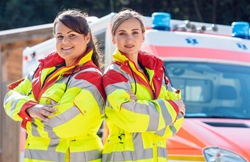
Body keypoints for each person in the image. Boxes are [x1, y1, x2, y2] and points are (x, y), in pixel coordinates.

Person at [4, 9, 105, 162]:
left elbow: (61, 125)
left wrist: (23, 114)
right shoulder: (43, 71)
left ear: (87, 37)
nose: (65, 41)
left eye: (72, 35)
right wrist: (30, 108)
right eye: (60, 36)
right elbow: (9, 98)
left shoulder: (91, 77)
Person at [102, 9, 185, 162]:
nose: (129, 39)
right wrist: (171, 108)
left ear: (143, 36)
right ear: (113, 39)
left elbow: (178, 120)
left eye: (135, 33)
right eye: (122, 34)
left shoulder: (156, 71)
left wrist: (143, 109)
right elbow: (131, 117)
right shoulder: (113, 74)